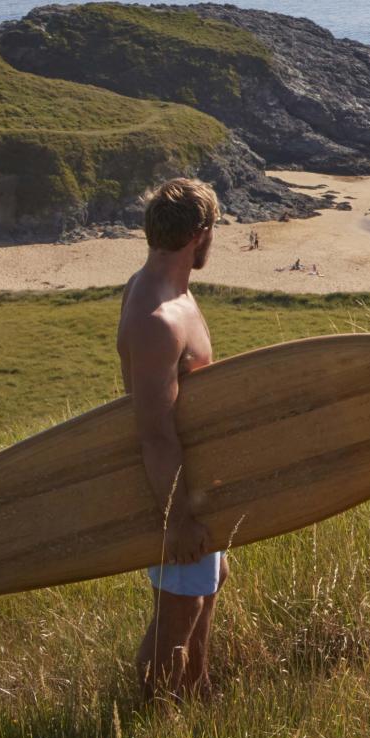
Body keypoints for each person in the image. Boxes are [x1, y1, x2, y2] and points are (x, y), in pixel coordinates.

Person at [116, 178, 226, 702]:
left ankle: (199, 695)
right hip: (171, 491)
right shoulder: (157, 317)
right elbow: (155, 432)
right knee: (177, 614)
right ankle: (144, 722)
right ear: (200, 235)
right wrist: (177, 519)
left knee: (206, 592)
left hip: (196, 484)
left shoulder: (173, 287)